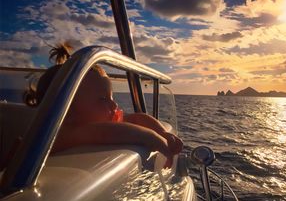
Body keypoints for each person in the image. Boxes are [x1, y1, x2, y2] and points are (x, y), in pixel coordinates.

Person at [34, 43, 183, 168]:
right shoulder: (59, 135)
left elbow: (137, 119)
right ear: (67, 111)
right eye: (102, 99)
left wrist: (161, 133)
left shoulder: (98, 122)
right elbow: (107, 132)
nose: (113, 104)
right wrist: (151, 138)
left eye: (111, 97)